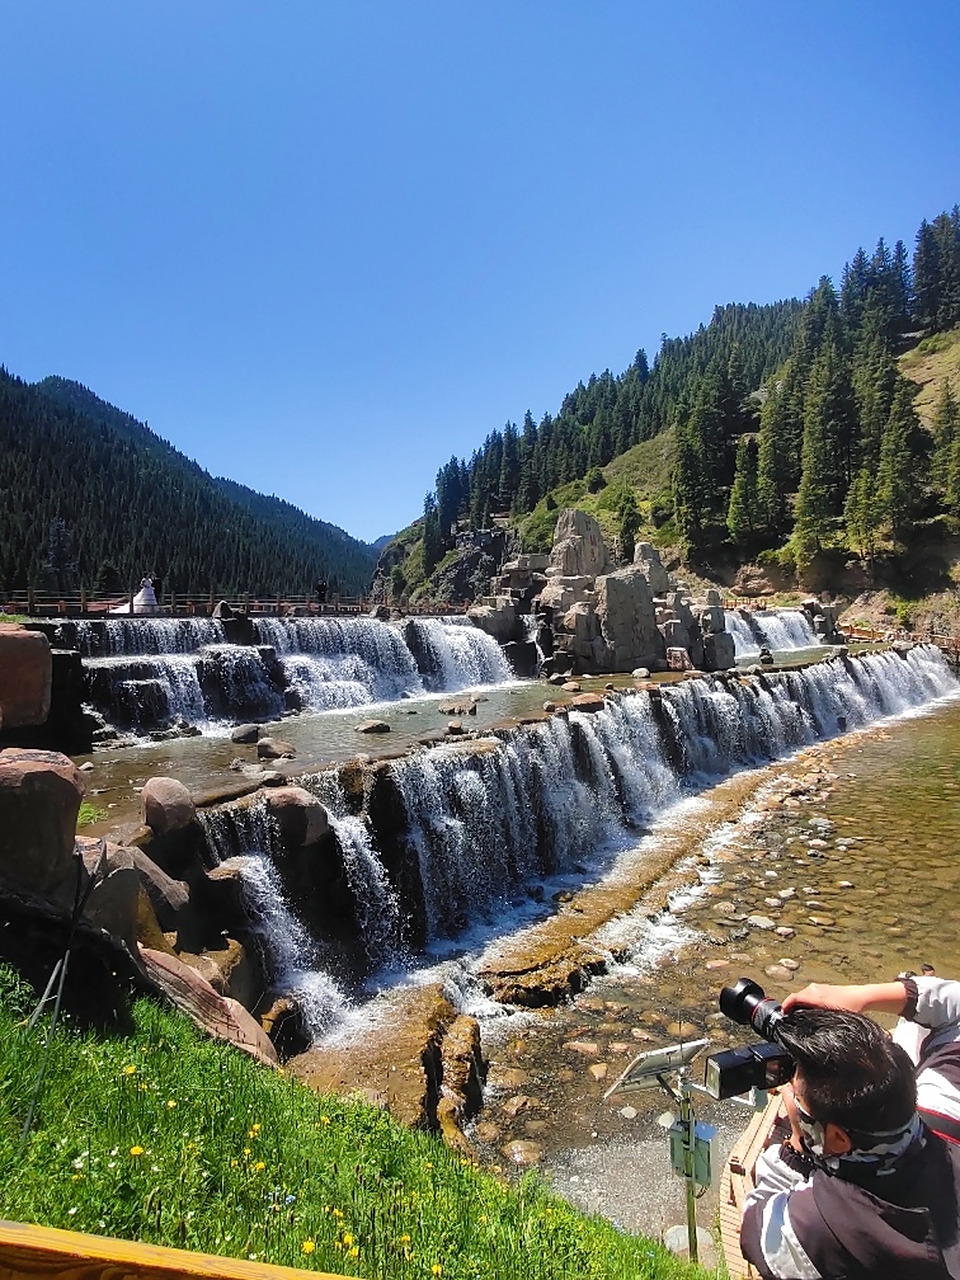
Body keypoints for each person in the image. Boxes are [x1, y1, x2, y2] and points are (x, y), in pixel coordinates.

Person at [741, 975, 960, 1278]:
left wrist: (796, 1144)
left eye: (794, 1086)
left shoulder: (816, 1228)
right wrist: (862, 996)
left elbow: (757, 1224)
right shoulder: (947, 1110)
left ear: (838, 1138)